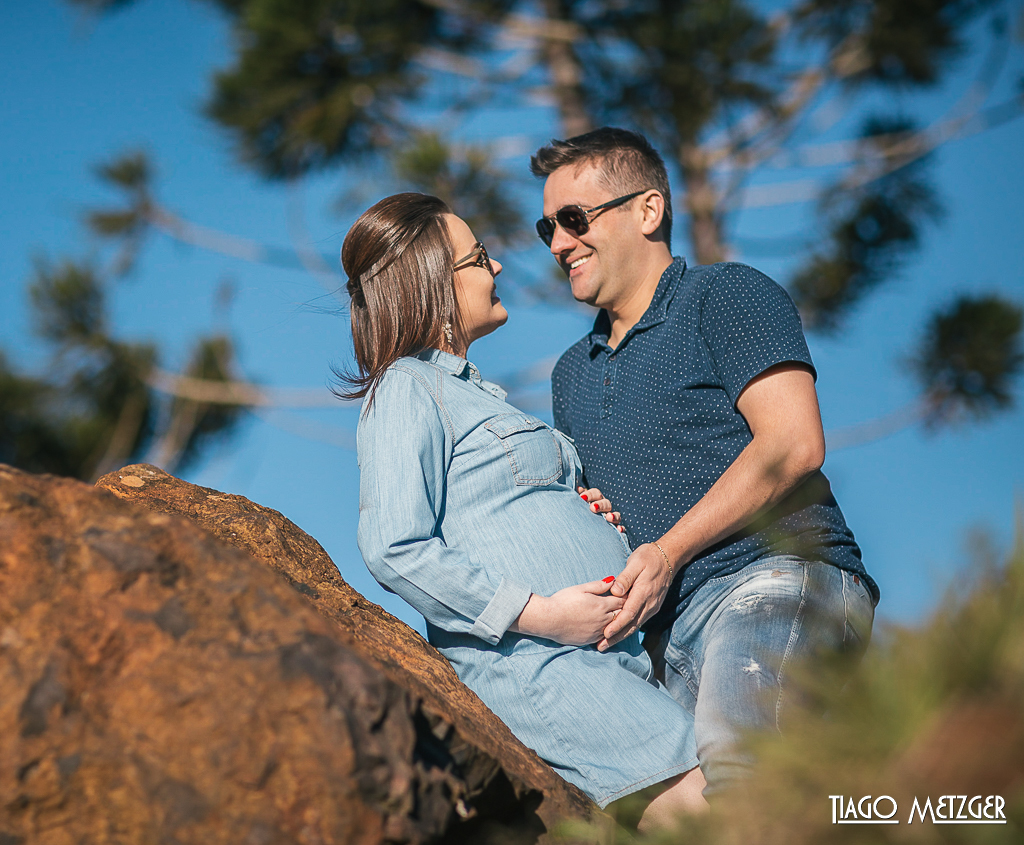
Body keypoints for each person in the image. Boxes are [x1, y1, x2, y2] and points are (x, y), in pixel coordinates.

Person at [531, 127, 879, 795]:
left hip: (771, 579)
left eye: (574, 219)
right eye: (547, 225)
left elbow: (793, 443)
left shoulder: (726, 296)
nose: (557, 244)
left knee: (743, 769)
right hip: (661, 637)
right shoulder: (570, 375)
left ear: (648, 209)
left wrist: (666, 550)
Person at [341, 192, 707, 826]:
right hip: (538, 665)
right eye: (479, 257)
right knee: (716, 816)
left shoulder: (479, 397)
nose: (499, 268)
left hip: (601, 663)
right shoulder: (406, 385)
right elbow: (394, 546)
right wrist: (542, 613)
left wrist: (585, 512)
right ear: (433, 280)